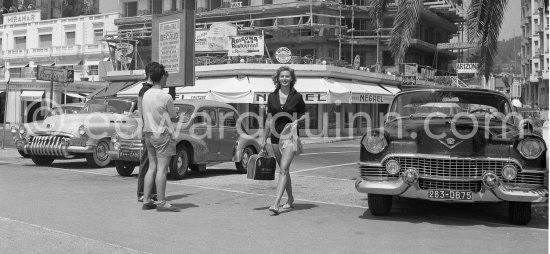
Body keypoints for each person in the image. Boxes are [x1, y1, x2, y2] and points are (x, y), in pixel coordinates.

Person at [262, 66, 306, 215]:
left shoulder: (297, 97)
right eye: (282, 76)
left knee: (283, 169)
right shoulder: (271, 96)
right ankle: (291, 198)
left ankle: (276, 203)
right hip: (275, 137)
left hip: (290, 136)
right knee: (283, 170)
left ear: (292, 79)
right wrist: (263, 139)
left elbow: (305, 115)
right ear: (278, 79)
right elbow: (269, 119)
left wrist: (297, 122)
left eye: (287, 76)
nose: (285, 79)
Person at [141, 63, 180, 212]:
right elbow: (173, 117)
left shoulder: (146, 94)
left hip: (149, 133)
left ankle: (146, 199)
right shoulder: (166, 96)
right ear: (163, 77)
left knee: (152, 167)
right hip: (162, 134)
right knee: (162, 169)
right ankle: (162, 202)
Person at [136, 62, 156, 202]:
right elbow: (142, 112)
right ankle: (142, 192)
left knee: (152, 162)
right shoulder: (145, 90)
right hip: (148, 129)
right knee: (146, 161)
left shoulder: (148, 89)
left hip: (150, 128)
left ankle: (151, 192)